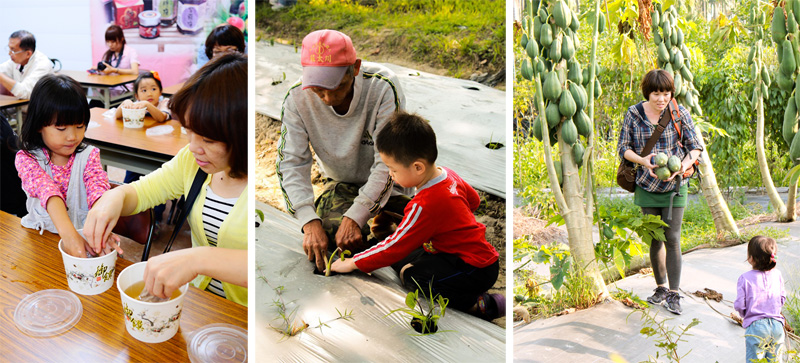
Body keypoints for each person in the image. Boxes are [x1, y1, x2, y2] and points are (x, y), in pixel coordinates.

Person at [84, 53, 248, 306]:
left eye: (208, 139)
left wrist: (198, 259)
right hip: (204, 305)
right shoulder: (192, 162)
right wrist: (113, 198)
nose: (194, 147)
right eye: (189, 132)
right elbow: (142, 191)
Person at [330, 112, 504, 320]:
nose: (390, 175)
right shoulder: (448, 175)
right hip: (465, 257)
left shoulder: (424, 204)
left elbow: (395, 246)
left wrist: (353, 263)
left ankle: (481, 305)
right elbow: (473, 200)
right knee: (406, 257)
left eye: (393, 170)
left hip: (474, 269)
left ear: (418, 167)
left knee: (412, 275)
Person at [277, 29, 412, 273]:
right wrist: (309, 220)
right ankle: (384, 245)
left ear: (356, 68)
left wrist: (356, 216)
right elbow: (291, 162)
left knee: (431, 238)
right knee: (332, 239)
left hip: (394, 186)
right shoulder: (296, 99)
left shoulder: (382, 88)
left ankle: (388, 240)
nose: (328, 98)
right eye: (318, 89)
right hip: (342, 185)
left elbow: (387, 164)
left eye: (337, 87)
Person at [616, 69, 703, 315]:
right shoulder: (634, 114)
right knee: (655, 238)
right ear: (648, 93)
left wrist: (682, 168)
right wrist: (645, 161)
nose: (661, 99)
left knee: (672, 237)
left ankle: (674, 293)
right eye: (656, 93)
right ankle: (660, 288)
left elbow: (694, 147)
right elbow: (624, 148)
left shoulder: (677, 112)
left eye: (666, 93)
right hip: (646, 184)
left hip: (675, 186)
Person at [15, 74, 120, 258]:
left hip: (85, 247)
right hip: (42, 245)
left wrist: (100, 223)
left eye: (79, 126)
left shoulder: (89, 156)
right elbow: (48, 191)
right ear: (39, 124)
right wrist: (70, 237)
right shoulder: (27, 159)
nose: (72, 136)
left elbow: (98, 189)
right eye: (61, 129)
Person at [115, 71, 171, 227]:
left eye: (154, 89)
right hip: (138, 151)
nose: (149, 93)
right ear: (137, 95)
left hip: (159, 155)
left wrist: (147, 105)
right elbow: (117, 116)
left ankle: (155, 220)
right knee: (129, 183)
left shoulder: (164, 103)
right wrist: (124, 103)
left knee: (158, 186)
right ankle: (129, 216)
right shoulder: (135, 104)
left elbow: (161, 117)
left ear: (160, 91)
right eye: (144, 90)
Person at [735, 236, 786, 362]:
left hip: (756, 327)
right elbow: (782, 298)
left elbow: (740, 305)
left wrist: (745, 315)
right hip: (777, 326)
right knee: (775, 360)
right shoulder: (777, 274)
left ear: (751, 258)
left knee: (755, 360)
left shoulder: (745, 278)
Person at [0, 30, 53, 99]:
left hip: (35, 108)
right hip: (18, 107)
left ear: (28, 54)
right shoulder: (17, 60)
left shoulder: (43, 65)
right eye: (9, 49)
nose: (9, 53)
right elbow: (2, 70)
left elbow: (25, 92)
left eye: (13, 50)